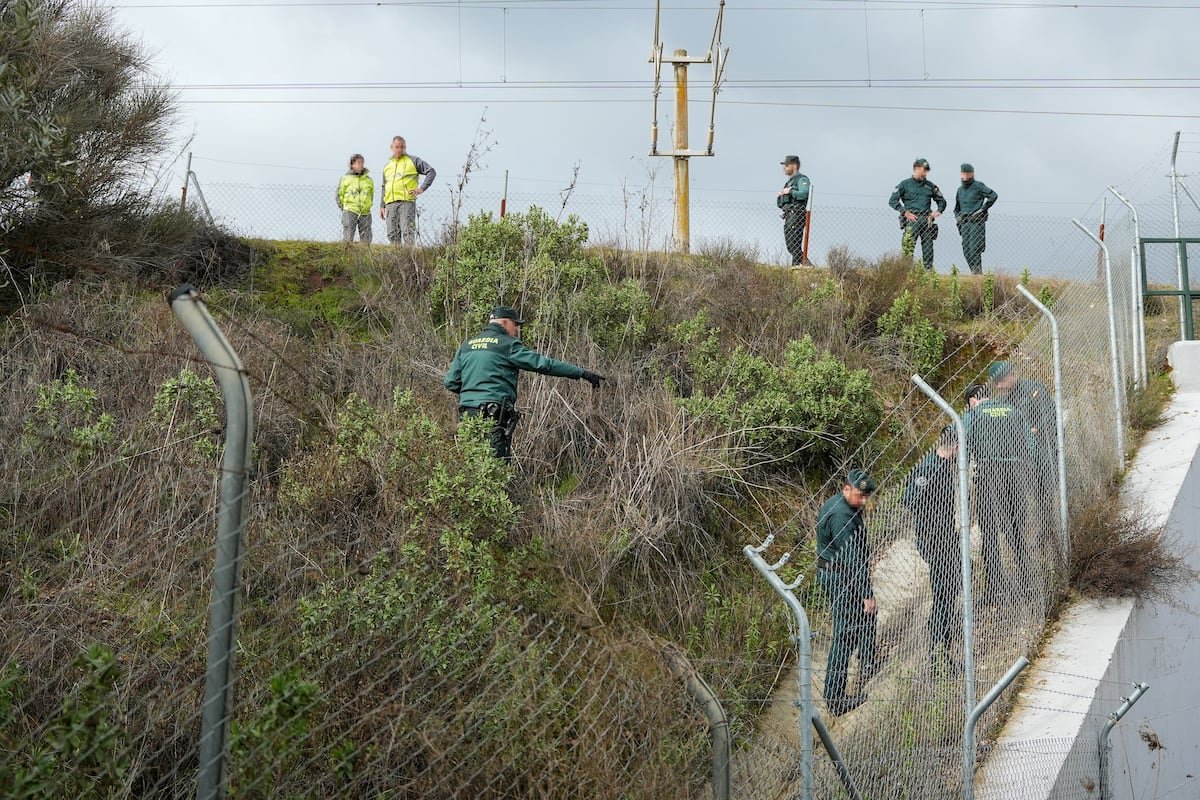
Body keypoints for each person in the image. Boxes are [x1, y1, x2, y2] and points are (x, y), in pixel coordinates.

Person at [443, 306, 605, 460]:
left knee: (472, 462)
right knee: (496, 465)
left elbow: (451, 382)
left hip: (467, 415)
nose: (517, 330)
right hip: (493, 415)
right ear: (505, 322)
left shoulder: (467, 346)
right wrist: (582, 373)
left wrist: (473, 395)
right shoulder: (507, 344)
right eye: (516, 325)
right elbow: (544, 364)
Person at [964, 383, 1037, 604]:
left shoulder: (973, 415)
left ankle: (995, 589)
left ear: (972, 401)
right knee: (1016, 529)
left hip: (989, 474)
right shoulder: (1013, 410)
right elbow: (1030, 443)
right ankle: (1028, 583)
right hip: (1016, 473)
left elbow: (964, 448)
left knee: (990, 532)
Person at [816, 468, 879, 716]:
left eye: (866, 496)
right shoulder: (842, 516)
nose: (863, 501)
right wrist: (866, 594)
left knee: (864, 619)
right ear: (846, 489)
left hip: (844, 572)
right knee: (846, 633)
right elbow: (851, 559)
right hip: (840, 576)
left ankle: (868, 662)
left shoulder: (845, 506)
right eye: (859, 495)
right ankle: (835, 699)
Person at [902, 426, 962, 670]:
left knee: (950, 589)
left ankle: (942, 643)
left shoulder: (942, 466)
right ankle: (939, 656)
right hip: (936, 541)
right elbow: (909, 499)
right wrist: (933, 520)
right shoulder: (930, 468)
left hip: (946, 538)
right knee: (944, 593)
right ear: (955, 446)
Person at [989, 360, 1058, 537]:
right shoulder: (1002, 401)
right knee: (1029, 495)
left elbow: (1050, 418)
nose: (998, 385)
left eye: (1001, 380)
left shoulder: (1034, 390)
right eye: (996, 382)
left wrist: (1034, 430)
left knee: (1045, 492)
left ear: (1012, 375)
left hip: (1043, 449)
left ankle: (1047, 531)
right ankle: (1032, 533)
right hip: (1020, 457)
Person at [888, 158, 947, 269]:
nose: (925, 173)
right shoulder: (905, 184)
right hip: (912, 220)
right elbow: (892, 200)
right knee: (908, 246)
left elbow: (942, 201)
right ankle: (906, 270)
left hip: (926, 220)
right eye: (923, 170)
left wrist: (938, 211)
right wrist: (904, 212)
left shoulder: (930, 186)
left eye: (926, 170)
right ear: (916, 169)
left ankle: (928, 270)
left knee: (928, 246)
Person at [379, 136, 436, 245]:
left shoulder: (413, 160)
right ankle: (396, 259)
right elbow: (384, 186)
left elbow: (431, 171)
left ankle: (409, 258)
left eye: (402, 147)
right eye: (397, 147)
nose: (400, 149)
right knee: (392, 233)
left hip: (406, 202)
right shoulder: (387, 166)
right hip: (390, 204)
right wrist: (382, 205)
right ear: (391, 147)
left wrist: (421, 189)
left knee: (407, 232)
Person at [954, 164, 998, 275]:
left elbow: (993, 196)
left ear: (972, 174)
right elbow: (956, 208)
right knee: (966, 251)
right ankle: (974, 273)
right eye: (964, 173)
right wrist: (958, 217)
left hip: (976, 223)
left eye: (968, 173)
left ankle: (978, 275)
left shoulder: (978, 186)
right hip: (964, 223)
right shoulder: (960, 190)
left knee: (974, 249)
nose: (965, 175)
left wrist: (982, 209)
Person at [776, 155, 811, 266]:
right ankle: (804, 265)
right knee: (790, 245)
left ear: (794, 165)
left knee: (794, 244)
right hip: (789, 215)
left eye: (786, 165)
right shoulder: (790, 182)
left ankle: (799, 266)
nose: (784, 168)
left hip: (797, 214)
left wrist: (790, 192)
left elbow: (804, 194)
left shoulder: (802, 179)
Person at [336, 154, 374, 244]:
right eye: (358, 163)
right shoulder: (345, 178)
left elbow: (371, 195)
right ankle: (345, 254)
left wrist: (367, 205)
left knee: (366, 237)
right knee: (348, 235)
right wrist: (345, 207)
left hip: (365, 212)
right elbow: (339, 195)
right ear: (352, 164)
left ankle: (366, 255)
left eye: (362, 163)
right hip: (350, 210)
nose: (361, 165)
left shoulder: (369, 180)